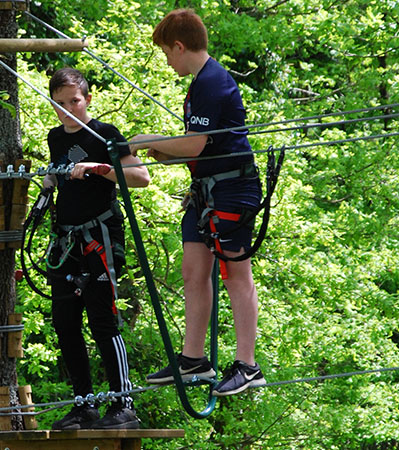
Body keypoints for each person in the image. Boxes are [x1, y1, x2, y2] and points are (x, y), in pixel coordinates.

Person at [129, 9, 266, 396]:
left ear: (179, 46)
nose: (168, 62)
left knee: (236, 274)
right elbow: (198, 149)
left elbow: (195, 143)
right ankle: (193, 360)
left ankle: (248, 364)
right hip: (205, 190)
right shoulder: (199, 84)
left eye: (167, 54)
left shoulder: (212, 82)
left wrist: (148, 139)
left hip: (231, 190)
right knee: (193, 271)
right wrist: (165, 152)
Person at [43, 68, 150, 429]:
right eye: (60, 104)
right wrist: (49, 181)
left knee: (103, 320)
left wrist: (99, 167)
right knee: (65, 322)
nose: (68, 109)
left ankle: (123, 404)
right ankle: (83, 403)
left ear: (87, 99)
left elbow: (140, 178)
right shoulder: (55, 138)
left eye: (74, 101)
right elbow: (58, 173)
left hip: (99, 238)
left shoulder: (105, 134)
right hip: (66, 240)